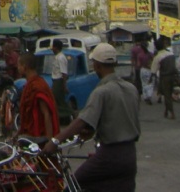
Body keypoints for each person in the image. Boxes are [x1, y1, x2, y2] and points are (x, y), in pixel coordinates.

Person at [42, 43, 141, 192]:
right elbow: (118, 118)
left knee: (74, 186)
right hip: (129, 156)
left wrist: (55, 141)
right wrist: (93, 131)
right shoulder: (131, 89)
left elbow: (81, 121)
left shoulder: (101, 92)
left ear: (97, 66)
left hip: (109, 155)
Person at [16, 52, 59, 142]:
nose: (17, 68)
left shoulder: (37, 86)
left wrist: (49, 140)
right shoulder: (30, 84)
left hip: (39, 135)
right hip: (29, 133)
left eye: (19, 65)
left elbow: (46, 113)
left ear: (25, 66)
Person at [150, 36, 177, 119]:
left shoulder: (158, 57)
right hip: (174, 76)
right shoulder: (171, 54)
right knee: (169, 94)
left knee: (167, 95)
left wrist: (150, 79)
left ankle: (172, 112)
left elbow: (153, 71)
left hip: (165, 77)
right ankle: (166, 111)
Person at [50, 39, 71, 126]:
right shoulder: (57, 57)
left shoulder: (61, 57)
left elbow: (64, 73)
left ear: (56, 48)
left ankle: (71, 113)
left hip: (59, 81)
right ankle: (61, 118)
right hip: (55, 81)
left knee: (59, 101)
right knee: (57, 101)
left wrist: (64, 85)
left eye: (53, 48)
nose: (52, 49)